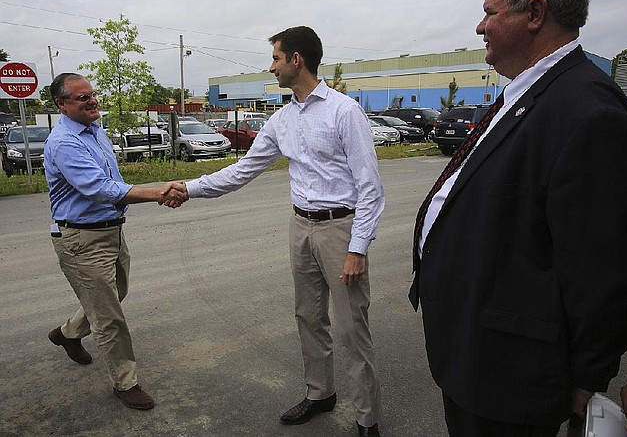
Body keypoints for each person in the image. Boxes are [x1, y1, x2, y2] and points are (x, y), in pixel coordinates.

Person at [409, 0, 627, 435]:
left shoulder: (589, 111)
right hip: (476, 357)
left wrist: (588, 377)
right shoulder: (531, 90)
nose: (480, 26)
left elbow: (605, 271)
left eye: (490, 12)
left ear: (535, 13)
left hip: (511, 379)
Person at [165, 26, 384, 436]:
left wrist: (358, 247)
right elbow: (243, 170)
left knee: (352, 326)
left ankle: (366, 417)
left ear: (296, 60)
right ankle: (321, 394)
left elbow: (370, 186)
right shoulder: (281, 119)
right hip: (300, 226)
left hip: (341, 229)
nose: (272, 67)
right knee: (308, 316)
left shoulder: (343, 112)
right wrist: (190, 188)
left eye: (277, 58)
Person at [44, 73, 187, 410]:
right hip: (81, 239)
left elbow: (114, 181)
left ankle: (66, 333)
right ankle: (126, 383)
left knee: (116, 293)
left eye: (92, 94)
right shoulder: (65, 142)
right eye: (82, 98)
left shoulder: (95, 131)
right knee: (108, 318)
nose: (92, 101)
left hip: (110, 230)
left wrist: (145, 193)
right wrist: (157, 193)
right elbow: (99, 189)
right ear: (61, 105)